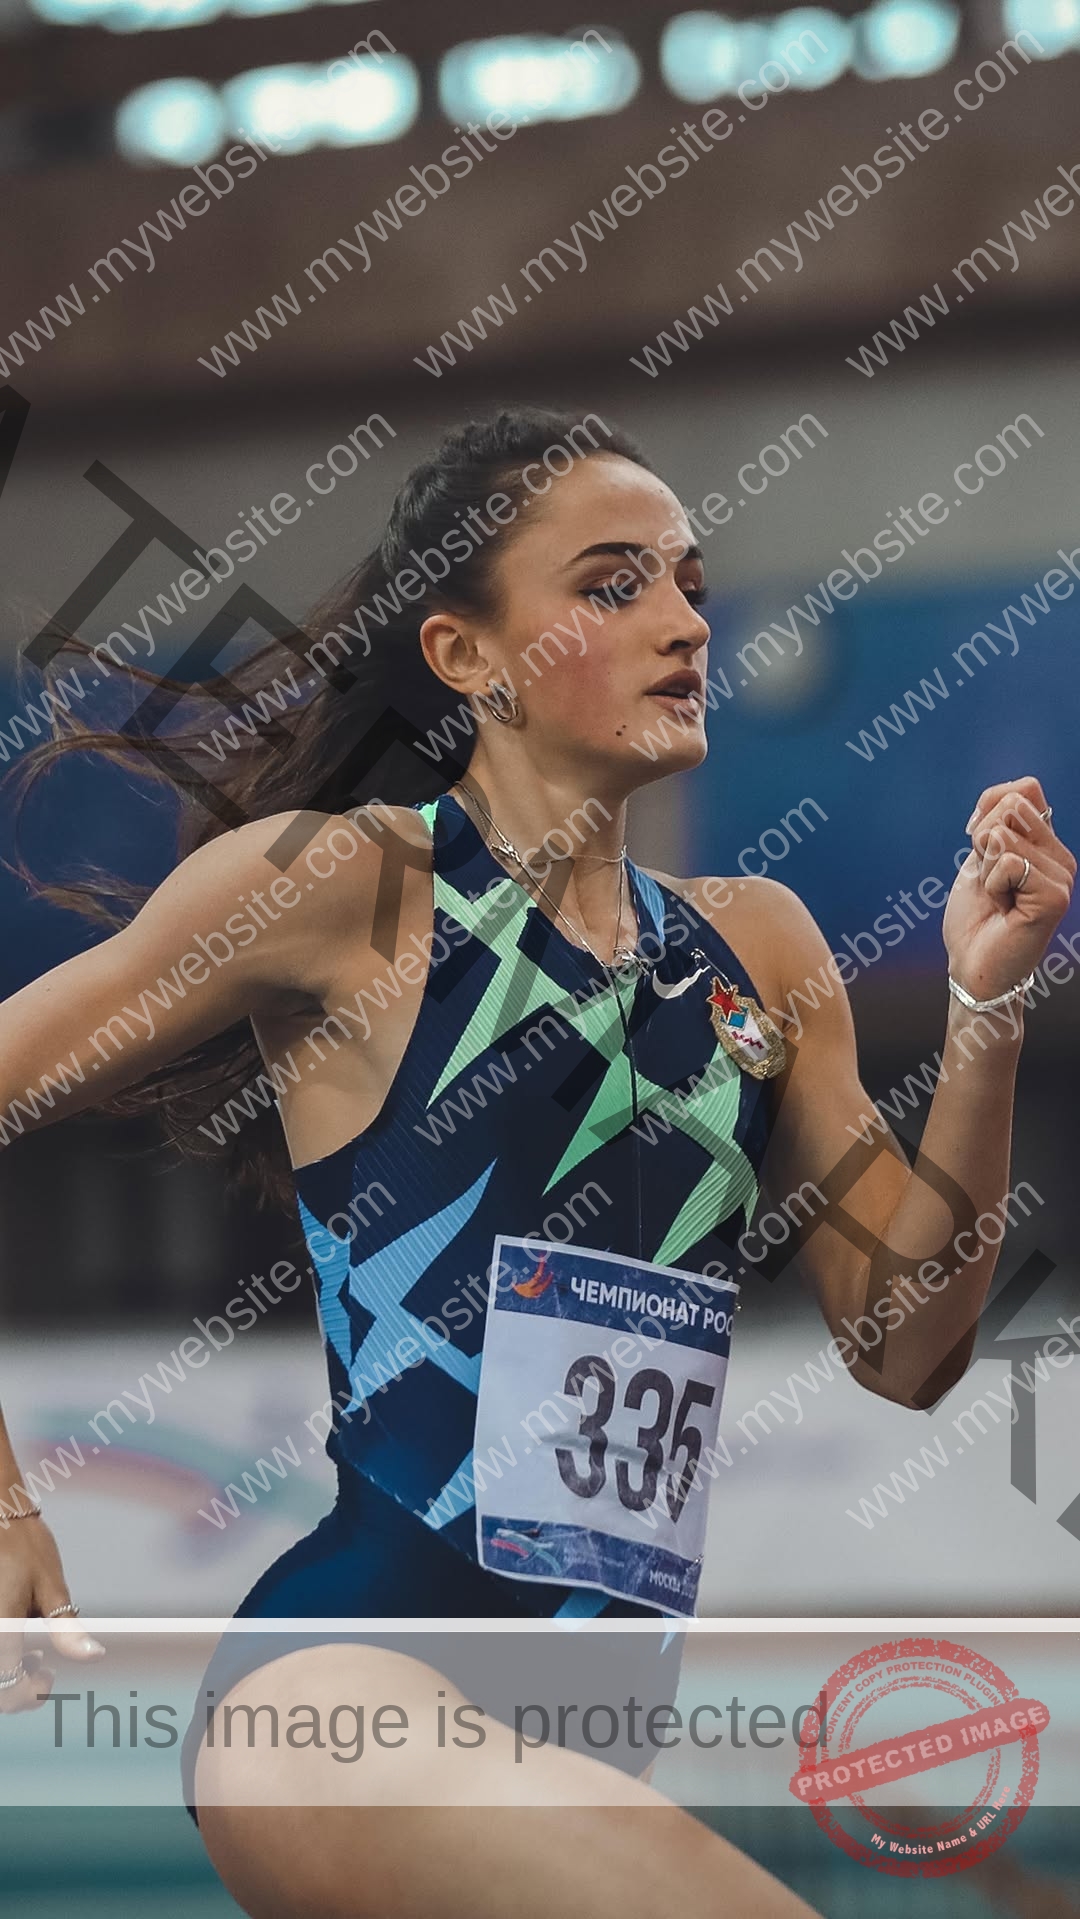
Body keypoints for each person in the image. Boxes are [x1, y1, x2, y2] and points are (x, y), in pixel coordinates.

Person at [0, 408, 1072, 1918]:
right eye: (616, 584)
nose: (687, 621)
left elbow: (910, 1348)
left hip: (588, 1742)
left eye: (692, 582)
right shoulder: (350, 890)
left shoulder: (757, 946)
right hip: (339, 1708)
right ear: (466, 657)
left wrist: (988, 1005)